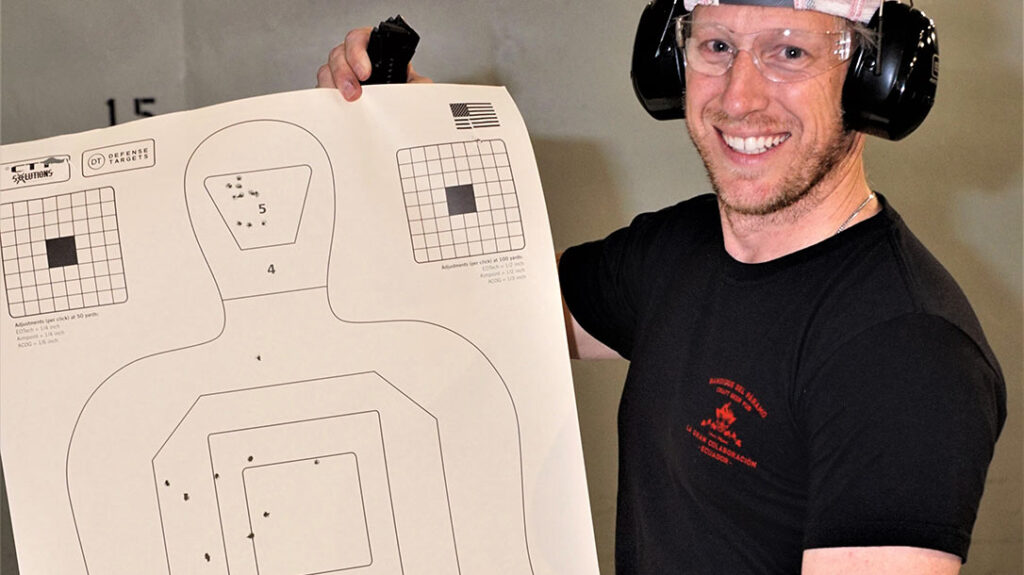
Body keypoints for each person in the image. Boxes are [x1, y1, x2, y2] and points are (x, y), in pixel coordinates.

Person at [317, 1, 1006, 573]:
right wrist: (402, 124)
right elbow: (494, 315)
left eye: (788, 53)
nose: (739, 96)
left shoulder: (905, 352)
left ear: (873, 79)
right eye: (715, 45)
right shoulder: (674, 252)